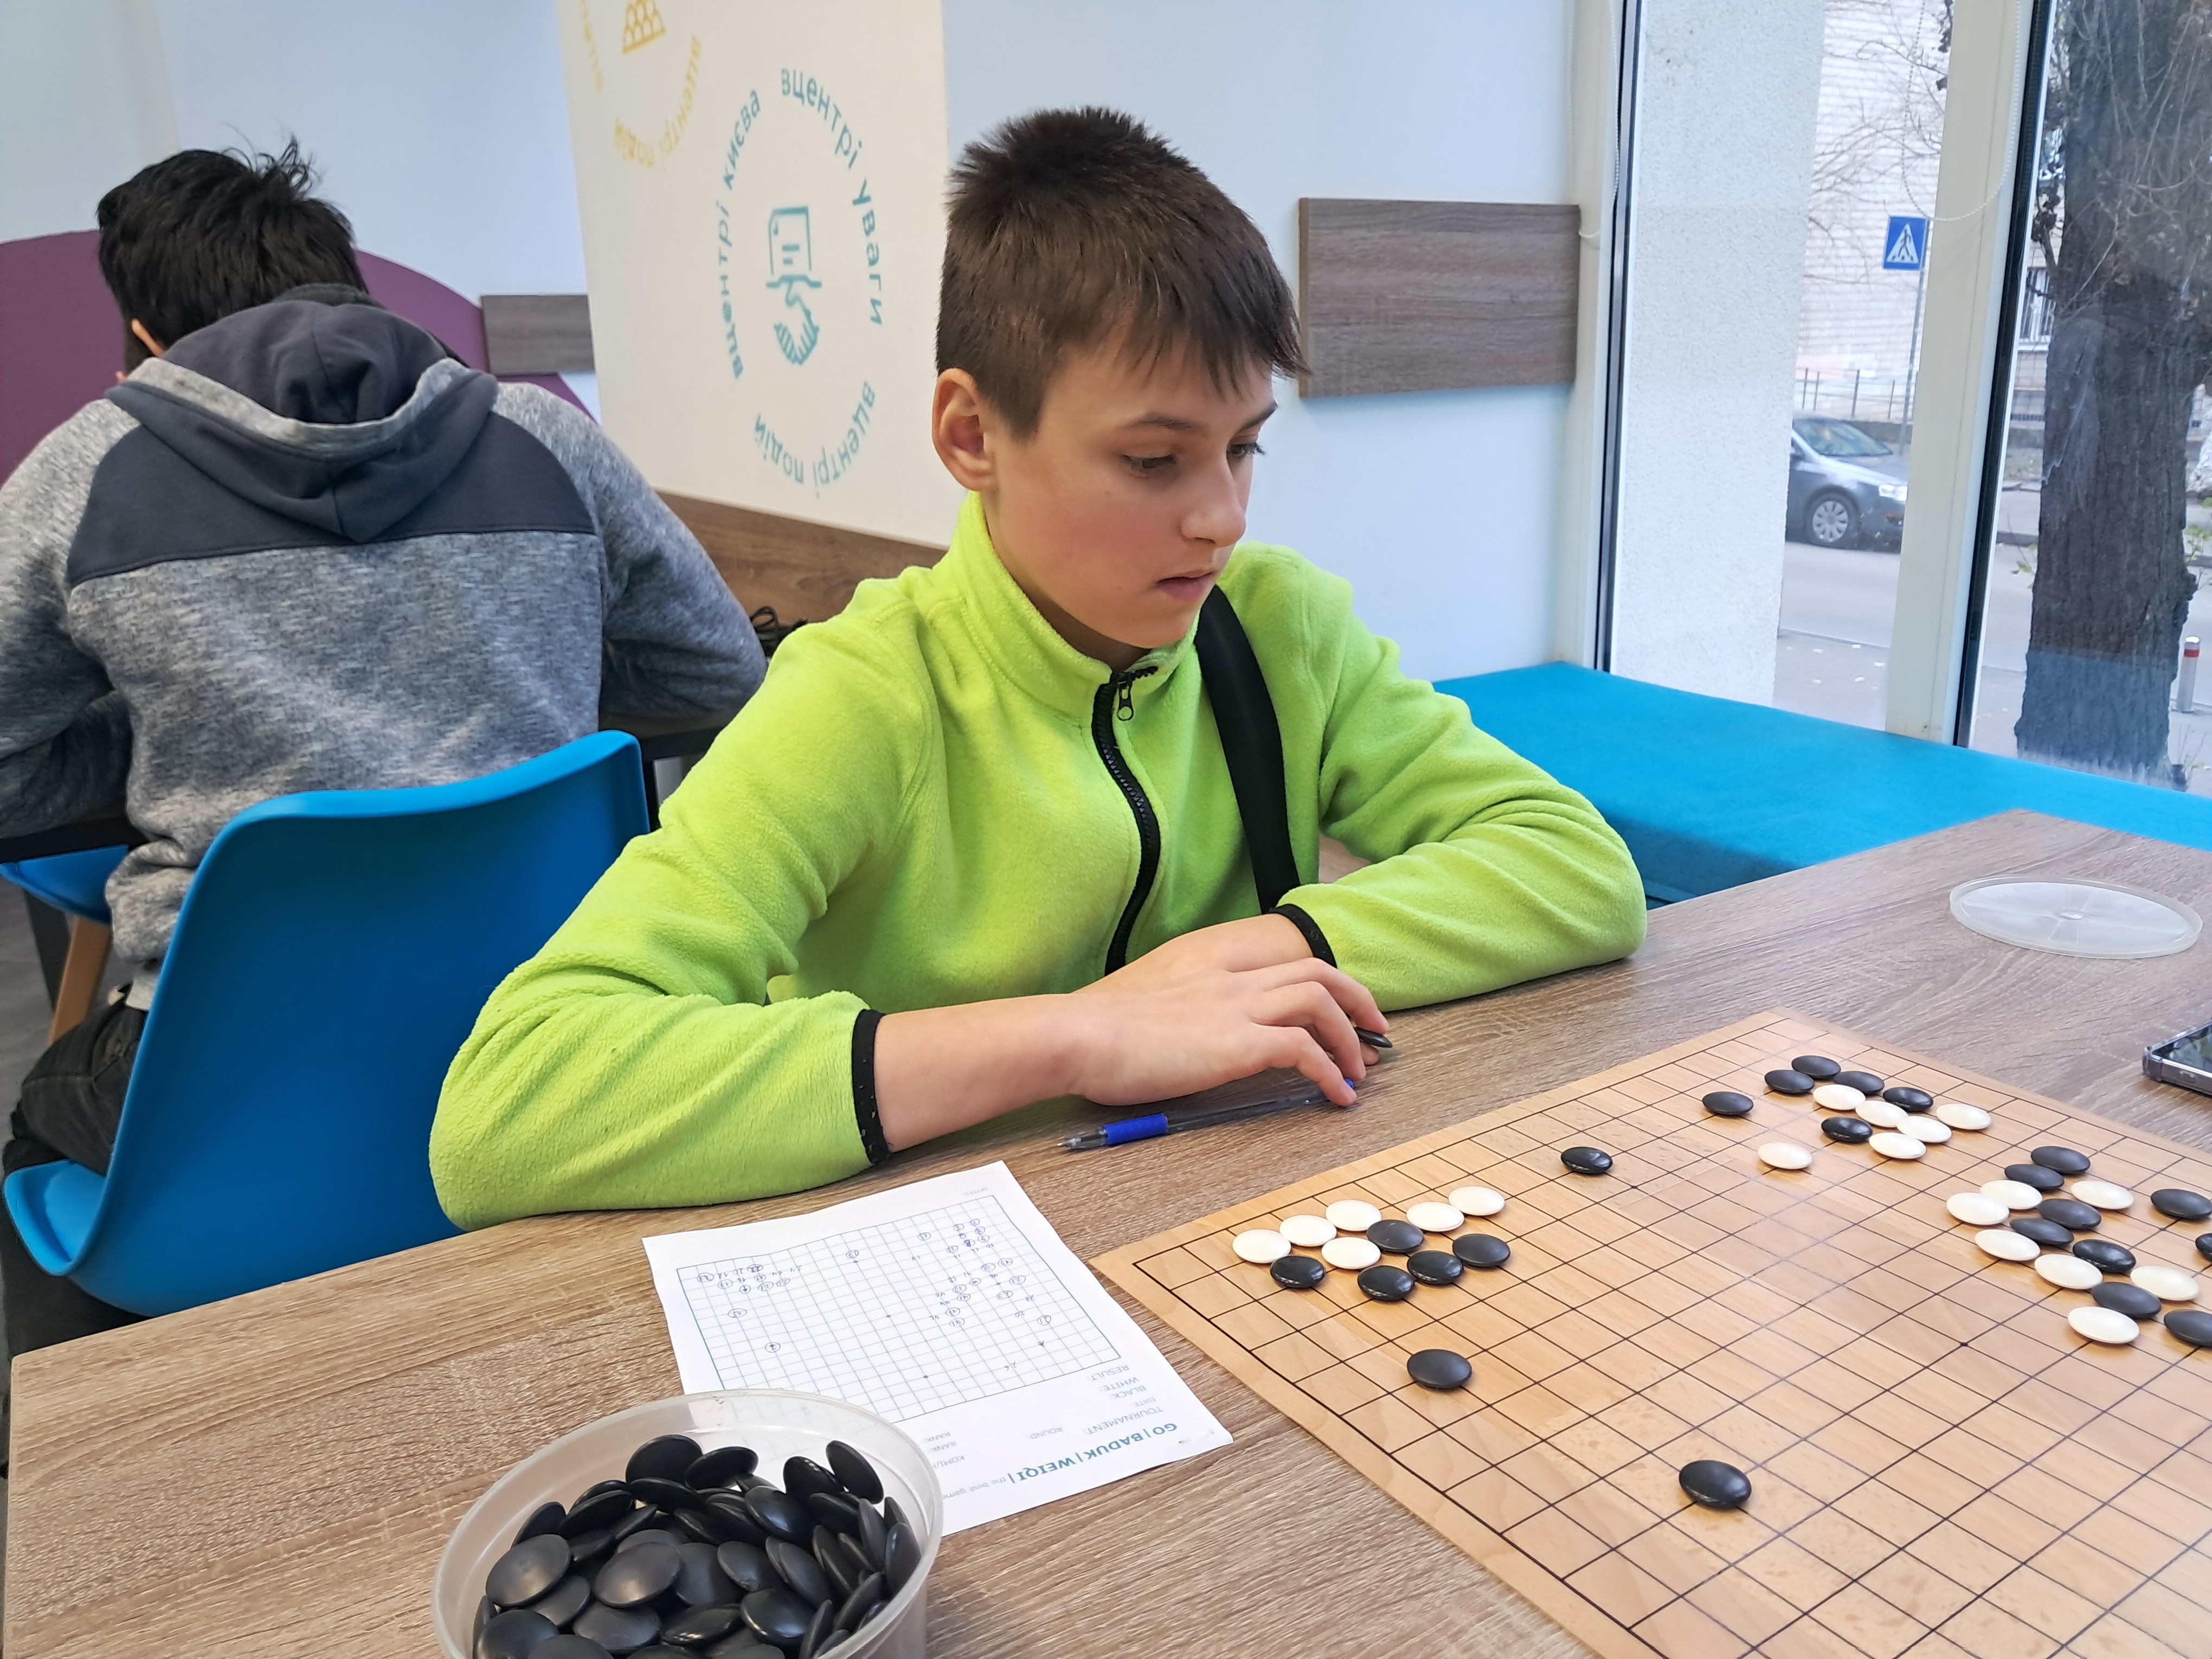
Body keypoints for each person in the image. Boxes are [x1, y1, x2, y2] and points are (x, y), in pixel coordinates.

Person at [428, 107, 1645, 1229]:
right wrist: (1076, 1037)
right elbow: (508, 1108)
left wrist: (1259, 952)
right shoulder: (865, 692)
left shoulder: (1280, 624)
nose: (1222, 519)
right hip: (945, 1250)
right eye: (1154, 461)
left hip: (1218, 1207)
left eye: (1245, 448)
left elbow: (1576, 867)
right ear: (973, 436)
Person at [0, 143, 764, 1357]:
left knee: (40, 1123)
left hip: (226, 1108)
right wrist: (531, 684)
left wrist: (160, 749)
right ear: (350, 289)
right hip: (571, 1042)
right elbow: (719, 673)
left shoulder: (85, 471)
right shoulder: (545, 434)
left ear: (145, 337)